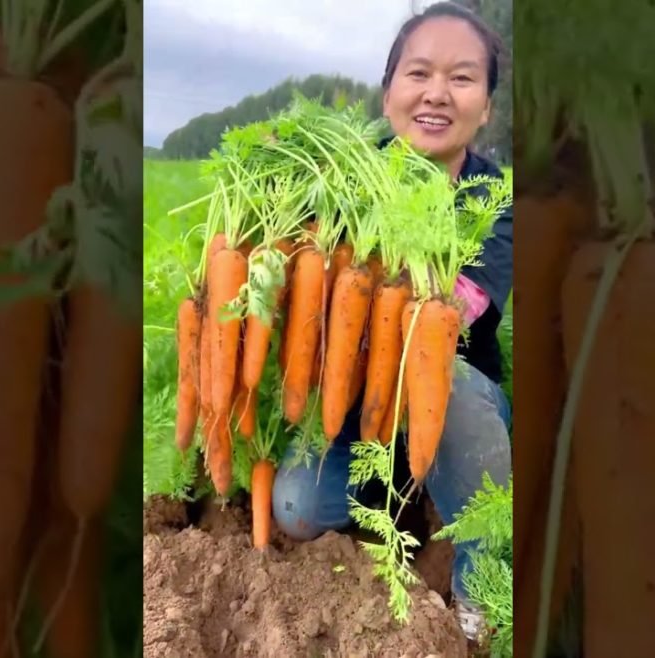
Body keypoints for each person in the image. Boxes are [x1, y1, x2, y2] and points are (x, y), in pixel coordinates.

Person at [269, 1, 513, 641]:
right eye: (418, 73)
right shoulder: (338, 177)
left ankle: (480, 580)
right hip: (355, 404)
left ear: (486, 106)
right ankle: (399, 480)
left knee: (450, 380)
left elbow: (451, 317)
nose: (437, 93)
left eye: (462, 78)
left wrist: (353, 286)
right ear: (388, 93)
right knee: (294, 511)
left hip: (456, 405)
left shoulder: (498, 200)